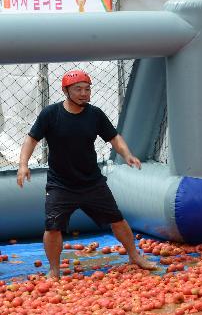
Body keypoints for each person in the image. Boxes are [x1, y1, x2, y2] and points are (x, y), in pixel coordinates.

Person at [16, 69, 156, 279]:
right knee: (52, 227)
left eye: (87, 89)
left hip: (92, 182)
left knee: (117, 219)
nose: (84, 93)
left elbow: (114, 137)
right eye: (78, 89)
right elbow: (31, 139)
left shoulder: (95, 114)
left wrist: (127, 155)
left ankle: (135, 255)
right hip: (60, 185)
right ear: (66, 91)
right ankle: (54, 270)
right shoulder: (50, 114)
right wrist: (23, 165)